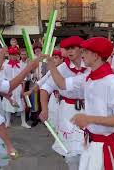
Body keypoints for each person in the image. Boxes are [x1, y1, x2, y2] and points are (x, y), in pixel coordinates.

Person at [46, 37, 114, 170]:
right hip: (92, 143)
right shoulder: (88, 77)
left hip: (106, 146)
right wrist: (51, 65)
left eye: (85, 52)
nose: (82, 55)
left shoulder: (113, 82)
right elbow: (63, 84)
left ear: (96, 56)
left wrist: (88, 119)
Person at [39, 36, 88, 170]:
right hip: (67, 110)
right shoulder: (61, 69)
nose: (70, 51)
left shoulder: (90, 66)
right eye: (67, 49)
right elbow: (45, 88)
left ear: (81, 49)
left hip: (88, 110)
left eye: (73, 48)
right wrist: (44, 109)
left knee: (87, 147)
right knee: (70, 151)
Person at [1, 47, 31, 128]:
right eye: (12, 55)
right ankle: (7, 122)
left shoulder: (21, 65)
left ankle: (23, 122)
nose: (14, 57)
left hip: (18, 87)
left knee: (21, 104)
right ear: (9, 56)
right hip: (9, 87)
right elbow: (3, 78)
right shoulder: (5, 65)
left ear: (18, 56)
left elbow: (24, 79)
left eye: (15, 55)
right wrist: (6, 89)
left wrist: (23, 89)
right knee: (8, 104)